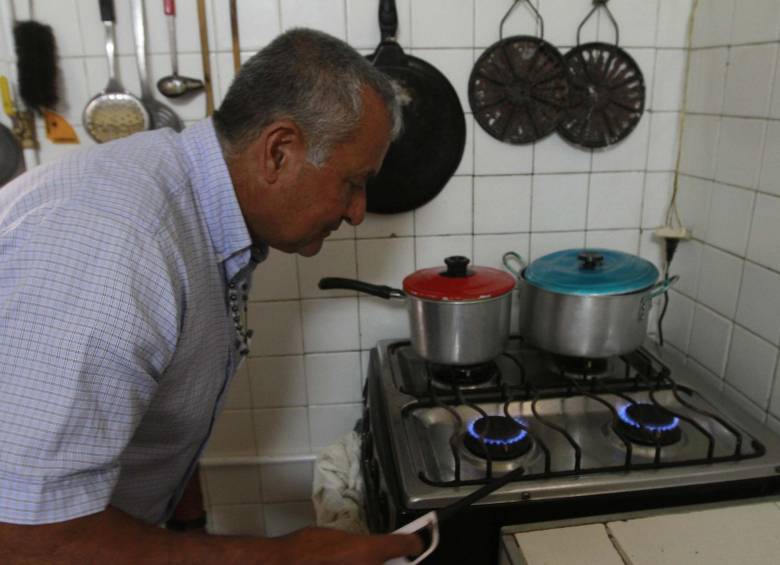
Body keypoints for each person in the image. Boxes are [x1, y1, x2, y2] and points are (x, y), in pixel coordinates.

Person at [0, 28, 422, 564]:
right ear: (279, 151)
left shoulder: (204, 211)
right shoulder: (121, 247)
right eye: (353, 183)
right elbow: (24, 538)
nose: (357, 212)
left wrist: (188, 523)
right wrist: (283, 558)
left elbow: (159, 406)